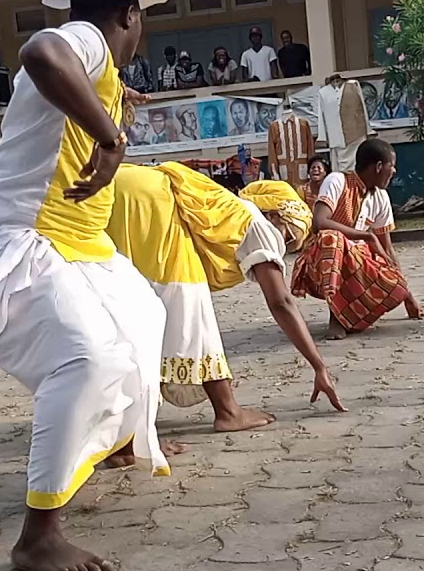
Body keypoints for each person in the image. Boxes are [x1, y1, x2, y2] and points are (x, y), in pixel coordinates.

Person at [0, 0, 172, 571]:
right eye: (139, 20)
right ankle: (38, 537)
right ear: (129, 14)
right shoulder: (84, 38)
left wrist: (110, 103)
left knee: (143, 323)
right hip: (28, 241)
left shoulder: (96, 61)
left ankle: (114, 442)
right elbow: (41, 52)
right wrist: (111, 135)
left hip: (81, 245)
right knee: (89, 360)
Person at [108, 162, 344, 435]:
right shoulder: (259, 224)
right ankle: (227, 411)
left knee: (133, 302)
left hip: (125, 183)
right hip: (149, 199)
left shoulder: (229, 208)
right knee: (189, 306)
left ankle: (130, 424)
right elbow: (281, 302)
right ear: (273, 215)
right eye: (288, 236)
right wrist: (319, 366)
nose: (284, 247)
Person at [291, 139, 424, 340]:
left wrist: (408, 297)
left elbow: (387, 249)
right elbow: (320, 222)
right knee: (332, 239)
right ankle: (336, 316)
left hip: (356, 261)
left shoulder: (381, 197)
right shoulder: (337, 181)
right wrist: (366, 235)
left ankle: (352, 315)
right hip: (321, 261)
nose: (394, 171)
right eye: (391, 166)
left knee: (396, 286)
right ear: (379, 167)